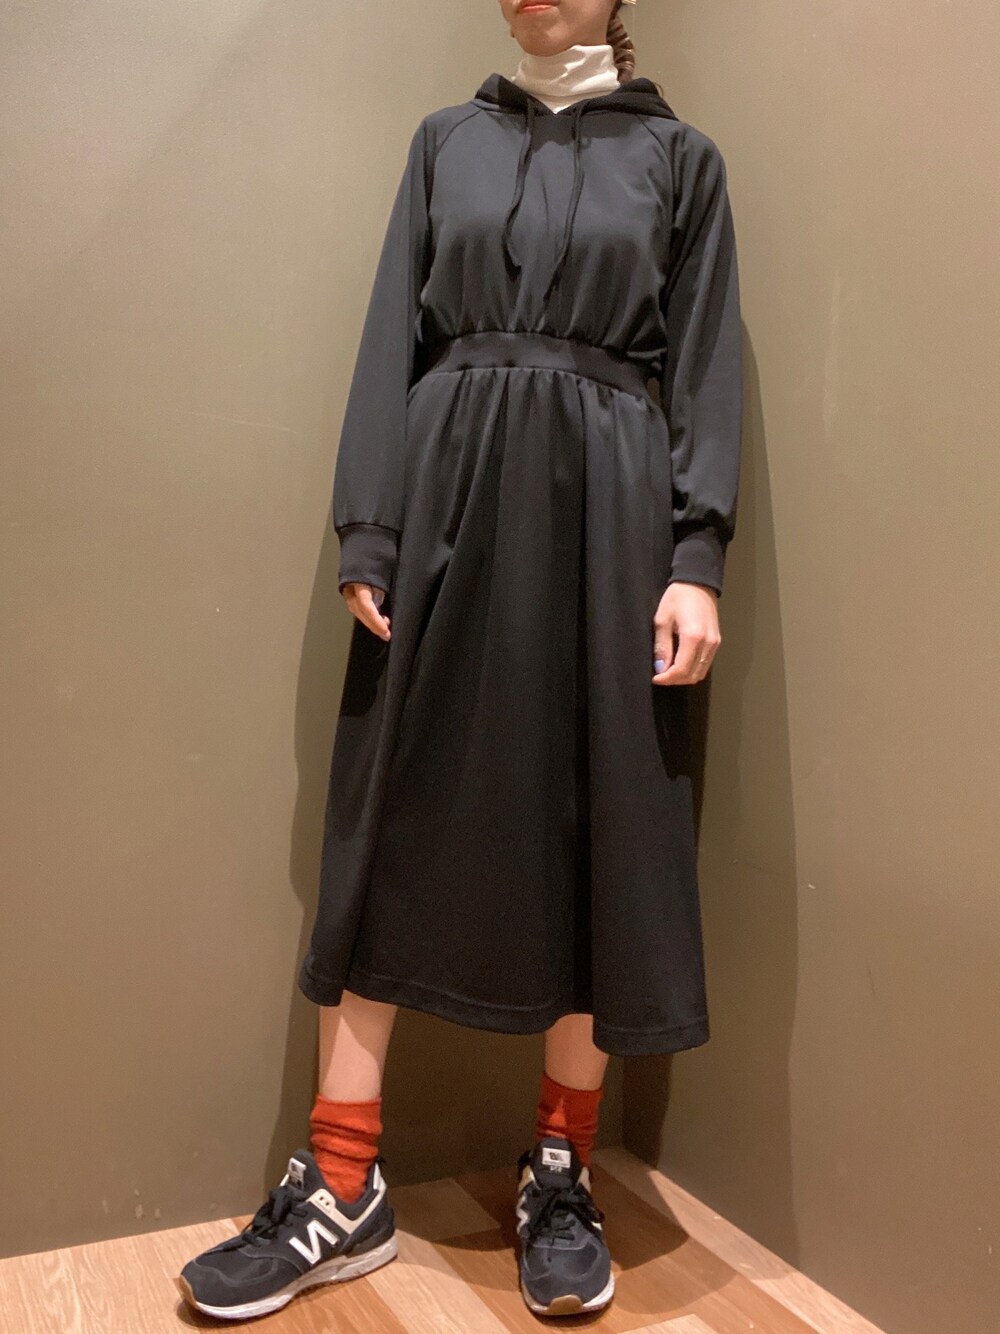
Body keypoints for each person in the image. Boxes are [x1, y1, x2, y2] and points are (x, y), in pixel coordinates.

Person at [179, 0, 742, 1321]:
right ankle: (341, 1180)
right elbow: (394, 334)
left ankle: (561, 1167)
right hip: (444, 498)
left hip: (613, 515)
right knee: (388, 808)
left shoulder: (683, 162)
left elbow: (705, 363)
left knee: (599, 815)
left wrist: (696, 555)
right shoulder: (446, 141)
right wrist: (370, 524)